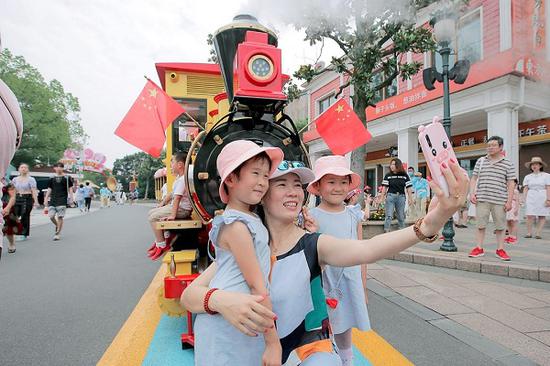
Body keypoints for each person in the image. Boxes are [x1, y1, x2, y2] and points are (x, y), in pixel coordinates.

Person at [182, 158, 469, 366]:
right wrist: (221, 301)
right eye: (281, 184)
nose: (293, 192)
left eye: (298, 185)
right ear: (262, 194)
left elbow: (367, 249)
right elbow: (189, 295)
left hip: (296, 352)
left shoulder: (312, 244)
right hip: (239, 353)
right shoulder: (247, 241)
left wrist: (429, 224)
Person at [190, 140, 284, 366]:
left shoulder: (247, 219)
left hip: (242, 316)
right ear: (231, 179)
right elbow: (257, 286)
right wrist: (273, 342)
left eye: (265, 175)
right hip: (228, 322)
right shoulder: (237, 226)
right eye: (255, 173)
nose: (263, 182)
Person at [307, 155, 370, 366]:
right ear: (318, 185)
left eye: (343, 182)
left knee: (345, 323)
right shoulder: (312, 216)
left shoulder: (353, 215)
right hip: (324, 280)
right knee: (323, 324)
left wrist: (363, 285)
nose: (338, 187)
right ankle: (326, 357)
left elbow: (362, 253)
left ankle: (346, 359)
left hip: (348, 279)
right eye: (331, 182)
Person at [469, 136, 516, 261]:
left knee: (500, 226)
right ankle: (479, 248)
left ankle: (500, 249)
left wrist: (509, 201)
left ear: (501, 147)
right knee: (480, 225)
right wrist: (472, 193)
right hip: (482, 198)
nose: (490, 147)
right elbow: (473, 178)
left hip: (500, 200)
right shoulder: (481, 161)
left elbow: (511, 183)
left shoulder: (508, 164)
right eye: (489, 145)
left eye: (494, 145)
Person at [147, 152, 194, 260]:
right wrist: (162, 204)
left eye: (172, 162)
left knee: (153, 218)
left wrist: (172, 215)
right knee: (151, 212)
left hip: (182, 210)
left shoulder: (183, 180)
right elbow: (172, 194)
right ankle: (165, 237)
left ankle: (161, 244)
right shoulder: (179, 178)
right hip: (179, 208)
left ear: (180, 165)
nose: (170, 165)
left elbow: (177, 198)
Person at [378, 158, 413, 232]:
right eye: (391, 164)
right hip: (390, 197)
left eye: (393, 164)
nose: (391, 166)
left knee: (400, 216)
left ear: (398, 165)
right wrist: (381, 198)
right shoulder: (388, 175)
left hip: (401, 197)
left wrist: (411, 199)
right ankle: (386, 230)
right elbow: (384, 187)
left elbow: (409, 188)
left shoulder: (405, 175)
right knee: (389, 215)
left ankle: (402, 231)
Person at [44, 162, 74, 241]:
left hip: (62, 199)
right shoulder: (51, 178)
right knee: (51, 216)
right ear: (54, 168)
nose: (59, 168)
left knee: (60, 216)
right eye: (57, 167)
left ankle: (57, 233)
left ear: (63, 168)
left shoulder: (67, 178)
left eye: (61, 167)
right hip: (53, 199)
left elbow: (70, 188)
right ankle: (58, 225)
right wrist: (46, 198)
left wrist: (71, 198)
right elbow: (50, 188)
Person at [522, 157, 550, 239]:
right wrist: (524, 199)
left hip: (542, 195)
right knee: (529, 215)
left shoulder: (547, 176)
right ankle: (529, 232)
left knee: (542, 215)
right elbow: (526, 188)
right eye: (533, 164)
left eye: (536, 164)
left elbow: (548, 187)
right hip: (531, 195)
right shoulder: (527, 177)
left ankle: (538, 233)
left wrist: (548, 199)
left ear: (540, 166)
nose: (534, 166)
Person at [12, 163, 38, 240]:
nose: (23, 169)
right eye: (22, 167)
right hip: (17, 198)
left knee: (24, 215)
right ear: (19, 169)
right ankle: (17, 230)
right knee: (15, 215)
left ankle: (23, 233)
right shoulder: (15, 179)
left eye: (25, 167)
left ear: (28, 169)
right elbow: (12, 190)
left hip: (27, 198)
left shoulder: (31, 179)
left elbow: (34, 190)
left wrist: (36, 201)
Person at [2, 183, 23, 254]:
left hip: (6, 207)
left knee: (7, 228)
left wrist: (8, 208)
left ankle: (11, 244)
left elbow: (13, 196)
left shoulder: (6, 182)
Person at [505, 179, 520, 244]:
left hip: (513, 207)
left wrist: (516, 209)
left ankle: (514, 236)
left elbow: (517, 201)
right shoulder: (506, 190)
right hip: (508, 207)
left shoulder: (515, 191)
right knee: (508, 221)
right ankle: (510, 235)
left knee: (514, 222)